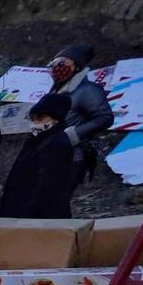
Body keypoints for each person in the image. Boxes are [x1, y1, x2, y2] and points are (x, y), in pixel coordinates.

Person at [0, 93, 79, 219]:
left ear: (56, 119)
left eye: (41, 118)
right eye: (33, 118)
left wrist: (27, 214)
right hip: (22, 211)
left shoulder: (57, 143)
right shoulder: (36, 139)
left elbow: (48, 185)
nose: (35, 123)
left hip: (37, 217)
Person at [47, 44, 113, 182]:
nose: (58, 66)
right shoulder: (56, 90)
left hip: (73, 154)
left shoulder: (88, 90)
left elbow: (105, 117)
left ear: (77, 66)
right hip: (53, 150)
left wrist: (74, 133)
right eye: (55, 63)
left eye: (64, 63)